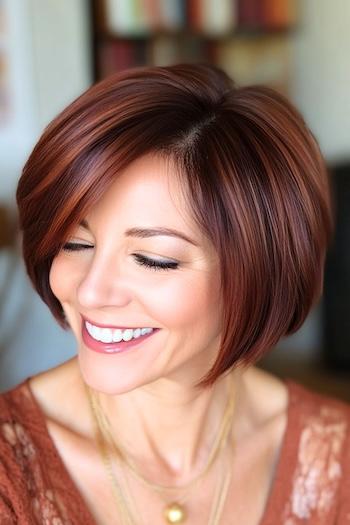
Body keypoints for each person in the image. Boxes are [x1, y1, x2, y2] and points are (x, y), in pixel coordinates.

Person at [0, 63, 349, 525]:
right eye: (76, 244)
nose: (90, 291)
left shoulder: (334, 457)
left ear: (261, 270)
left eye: (153, 259)